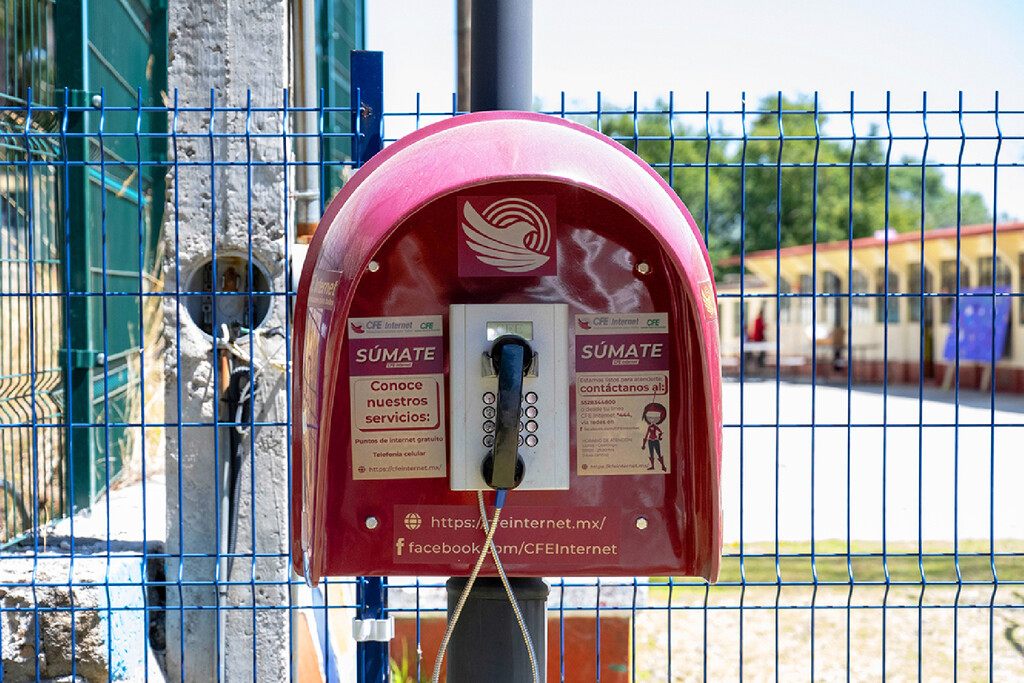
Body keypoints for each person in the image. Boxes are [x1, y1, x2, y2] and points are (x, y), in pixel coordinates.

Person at [640, 402, 667, 472]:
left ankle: (663, 466)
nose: (652, 419)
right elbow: (646, 435)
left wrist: (660, 437)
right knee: (651, 453)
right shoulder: (649, 427)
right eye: (649, 417)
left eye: (655, 417)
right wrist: (643, 444)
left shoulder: (655, 427)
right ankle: (652, 466)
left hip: (655, 440)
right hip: (650, 441)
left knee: (658, 453)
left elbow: (660, 431)